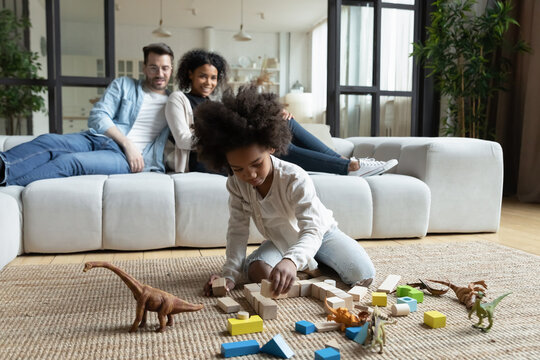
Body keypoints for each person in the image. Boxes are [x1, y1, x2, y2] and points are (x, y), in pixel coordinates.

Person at [199, 86, 376, 297]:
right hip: (281, 241)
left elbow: (312, 229)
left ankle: (308, 263)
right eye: (238, 169)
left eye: (257, 163)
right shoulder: (235, 183)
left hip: (320, 234)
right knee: (257, 271)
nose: (250, 175)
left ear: (271, 147)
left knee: (363, 274)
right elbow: (237, 230)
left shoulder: (294, 177)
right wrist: (229, 275)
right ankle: (306, 265)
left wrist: (291, 260)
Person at [165, 48, 397, 176]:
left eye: (213, 77)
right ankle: (350, 167)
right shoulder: (178, 99)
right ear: (190, 75)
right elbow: (184, 141)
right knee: (269, 147)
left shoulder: (215, 102)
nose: (208, 82)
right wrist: (229, 137)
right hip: (202, 161)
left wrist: (271, 118)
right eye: (203, 76)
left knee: (284, 125)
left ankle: (343, 160)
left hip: (230, 149)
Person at [0, 43, 174, 187]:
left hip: (124, 158)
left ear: (171, 69)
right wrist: (127, 142)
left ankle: (8, 186)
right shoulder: (124, 84)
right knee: (48, 141)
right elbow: (98, 115)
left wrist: (129, 149)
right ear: (144, 68)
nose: (160, 74)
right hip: (96, 138)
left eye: (165, 68)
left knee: (69, 162)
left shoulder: (175, 102)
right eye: (153, 67)